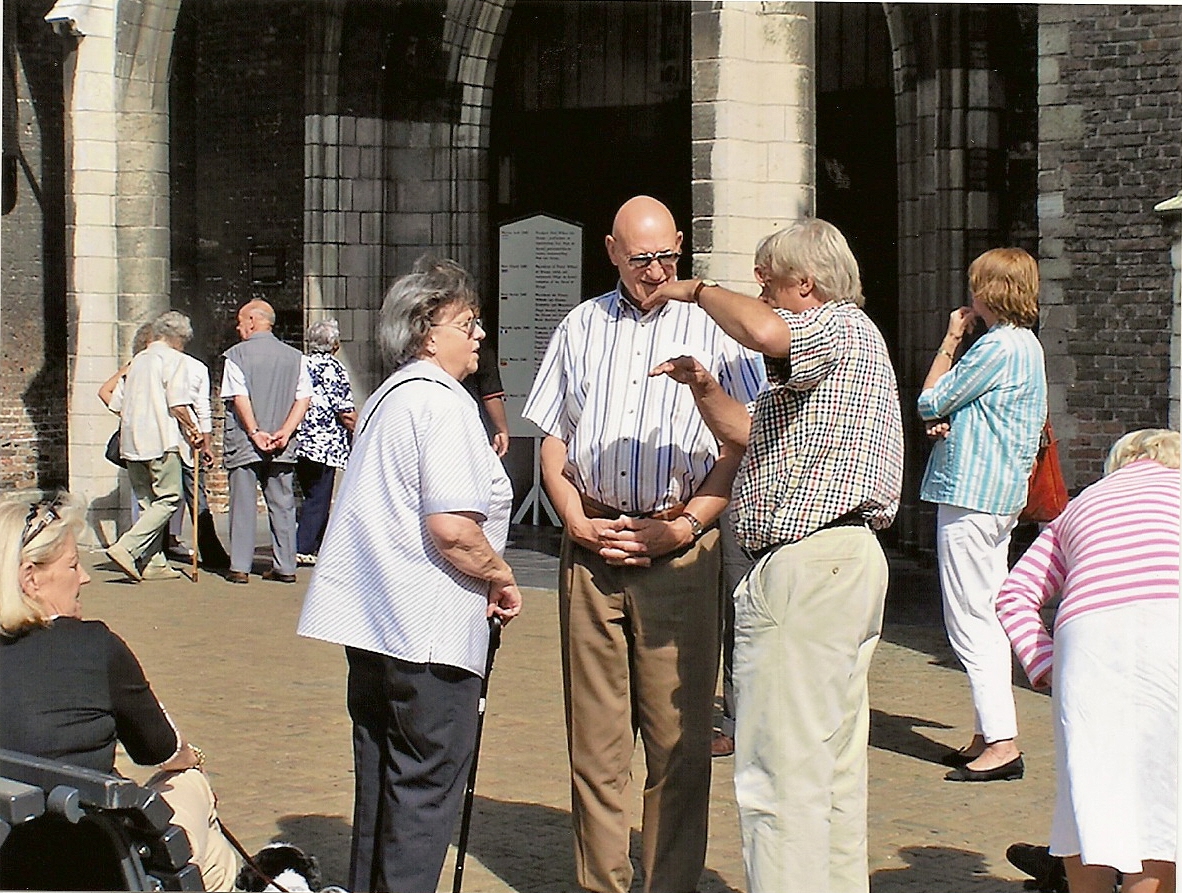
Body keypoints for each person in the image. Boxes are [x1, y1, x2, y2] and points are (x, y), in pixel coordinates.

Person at [642, 217, 904, 893]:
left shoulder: (834, 325)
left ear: (805, 284)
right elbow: (751, 431)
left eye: (768, 281)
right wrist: (704, 386)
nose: (761, 293)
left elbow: (763, 331)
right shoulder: (847, 353)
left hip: (806, 563)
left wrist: (695, 289)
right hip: (843, 561)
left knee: (779, 773)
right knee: (831, 770)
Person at [522, 195, 765, 893]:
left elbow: (742, 442)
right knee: (595, 746)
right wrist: (572, 516)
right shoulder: (580, 325)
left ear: (681, 245)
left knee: (679, 745)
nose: (655, 271)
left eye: (665, 256)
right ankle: (601, 883)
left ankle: (669, 884)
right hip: (592, 550)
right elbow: (554, 437)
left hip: (680, 550)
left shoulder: (714, 327)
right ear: (611, 252)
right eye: (639, 259)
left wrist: (685, 526)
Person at [297, 257, 522, 893]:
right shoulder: (442, 405)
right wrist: (501, 575)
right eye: (468, 324)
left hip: (375, 628)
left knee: (379, 783)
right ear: (427, 331)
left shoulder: (384, 399)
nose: (480, 335)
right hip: (427, 635)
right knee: (423, 794)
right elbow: (452, 529)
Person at [0, 493, 238, 890]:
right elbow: (160, 750)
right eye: (72, 565)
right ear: (30, 578)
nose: (85, 577)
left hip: (11, 861)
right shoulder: (94, 646)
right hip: (92, 865)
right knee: (196, 801)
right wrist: (192, 757)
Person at [996, 429, 1179, 893]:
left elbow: (1014, 595)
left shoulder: (1082, 504)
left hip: (1087, 639)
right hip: (1170, 625)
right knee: (1160, 798)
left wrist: (1045, 664)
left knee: (1087, 793)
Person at [916, 247, 1047, 781]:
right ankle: (986, 730)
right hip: (999, 492)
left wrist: (950, 341)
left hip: (972, 493)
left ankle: (1001, 742)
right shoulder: (1027, 346)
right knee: (985, 609)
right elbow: (988, 413)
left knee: (971, 617)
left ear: (988, 291)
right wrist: (956, 423)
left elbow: (929, 400)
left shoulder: (995, 346)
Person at [220, 300, 312, 584]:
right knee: (282, 503)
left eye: (240, 321)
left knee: (243, 503)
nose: (238, 328)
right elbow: (303, 398)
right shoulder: (296, 357)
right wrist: (285, 431)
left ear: (252, 320)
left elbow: (239, 397)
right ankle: (286, 567)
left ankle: (240, 566)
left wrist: (255, 431)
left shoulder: (236, 356)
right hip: (282, 443)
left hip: (245, 442)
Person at [105, 313, 201, 582]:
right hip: (161, 441)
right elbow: (178, 403)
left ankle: (154, 562)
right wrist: (194, 431)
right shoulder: (175, 360)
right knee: (169, 498)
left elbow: (115, 401)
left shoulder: (137, 361)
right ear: (178, 338)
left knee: (148, 503)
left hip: (132, 442)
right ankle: (127, 547)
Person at [152, 311, 231, 570]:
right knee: (191, 495)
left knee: (171, 495)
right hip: (179, 440)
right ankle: (202, 550)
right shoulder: (183, 365)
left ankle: (199, 548)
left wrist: (204, 442)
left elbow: (202, 408)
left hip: (168, 441)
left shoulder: (153, 363)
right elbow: (198, 410)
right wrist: (204, 440)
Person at [294, 318, 357, 566]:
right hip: (325, 443)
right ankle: (303, 546)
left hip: (300, 439)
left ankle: (315, 545)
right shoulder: (335, 368)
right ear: (334, 344)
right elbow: (345, 410)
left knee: (308, 494)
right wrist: (360, 430)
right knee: (319, 497)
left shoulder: (300, 363)